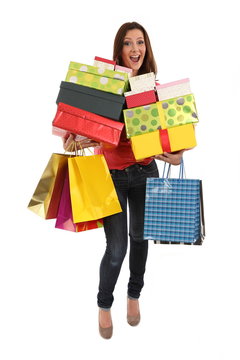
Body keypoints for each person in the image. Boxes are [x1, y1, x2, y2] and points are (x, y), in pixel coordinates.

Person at [63, 22, 184, 339]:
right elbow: (85, 128)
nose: (135, 49)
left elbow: (171, 135)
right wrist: (73, 138)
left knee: (141, 241)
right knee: (116, 248)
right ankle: (104, 304)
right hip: (112, 175)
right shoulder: (104, 85)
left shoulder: (155, 88)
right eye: (128, 43)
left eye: (140, 43)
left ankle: (134, 296)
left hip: (146, 173)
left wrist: (178, 155)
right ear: (119, 50)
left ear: (147, 48)